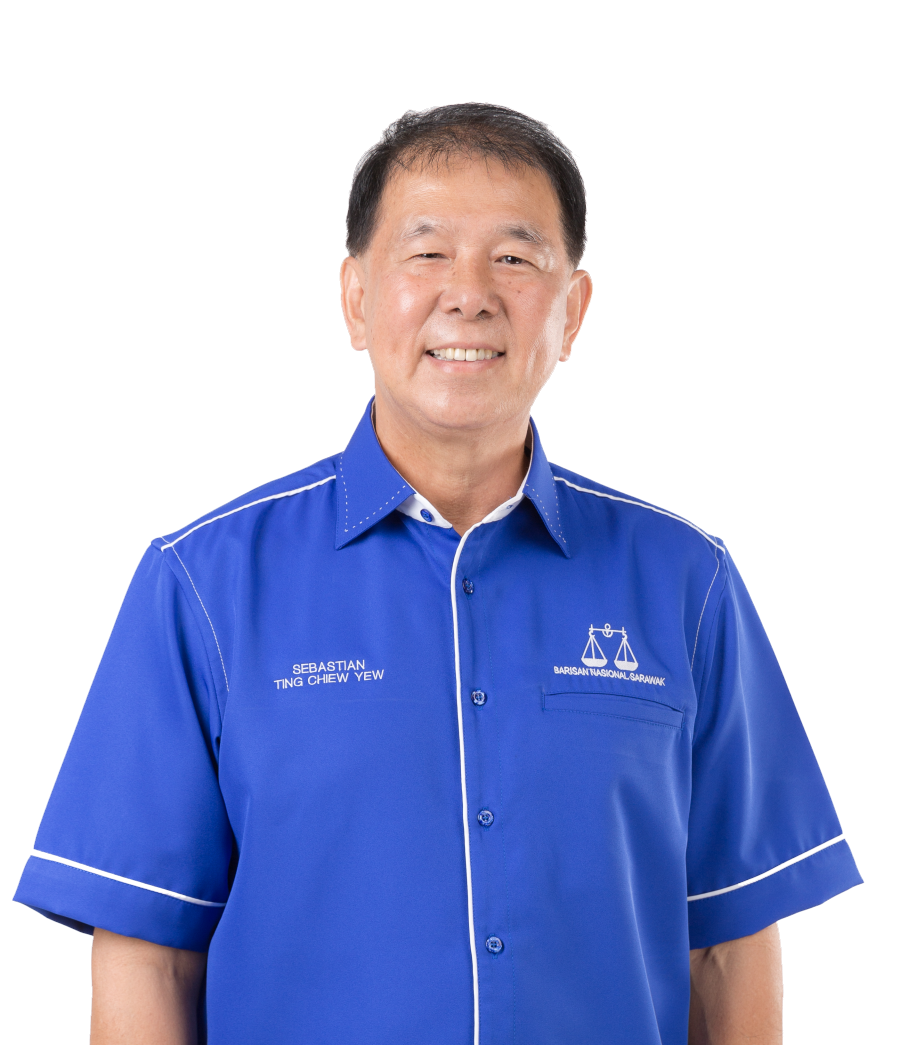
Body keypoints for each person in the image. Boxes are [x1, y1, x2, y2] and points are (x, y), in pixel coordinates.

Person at [14, 103, 861, 1045]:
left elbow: (728, 944)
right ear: (356, 298)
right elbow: (149, 955)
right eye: (426, 254)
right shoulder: (204, 587)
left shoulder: (685, 584)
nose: (470, 295)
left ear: (573, 310)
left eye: (514, 258)